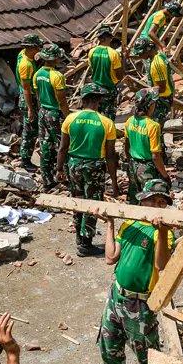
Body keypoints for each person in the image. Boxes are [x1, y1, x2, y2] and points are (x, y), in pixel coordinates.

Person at [95, 179, 179, 364]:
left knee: (146, 353)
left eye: (162, 202)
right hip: (117, 296)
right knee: (109, 345)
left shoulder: (164, 232)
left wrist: (162, 232)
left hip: (139, 303)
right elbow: (111, 257)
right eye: (153, 199)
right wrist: (110, 224)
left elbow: (162, 264)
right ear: (142, 200)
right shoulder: (129, 224)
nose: (156, 205)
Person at [59, 84, 119, 256]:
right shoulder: (107, 123)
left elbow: (63, 148)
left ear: (83, 100)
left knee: (78, 201)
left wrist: (59, 169)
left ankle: (80, 237)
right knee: (93, 203)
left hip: (74, 165)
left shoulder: (70, 119)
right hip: (94, 167)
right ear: (98, 101)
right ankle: (86, 244)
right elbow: (110, 156)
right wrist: (114, 182)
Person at [123, 88, 170, 203]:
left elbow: (126, 145)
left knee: (135, 197)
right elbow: (155, 156)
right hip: (147, 168)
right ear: (150, 105)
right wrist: (165, 175)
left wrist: (131, 162)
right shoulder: (153, 126)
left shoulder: (130, 121)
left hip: (133, 165)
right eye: (154, 103)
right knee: (150, 200)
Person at [33, 44, 69, 190]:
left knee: (45, 144)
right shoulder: (57, 76)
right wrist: (68, 117)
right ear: (54, 59)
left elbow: (37, 96)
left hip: (43, 112)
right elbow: (62, 101)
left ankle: (47, 179)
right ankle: (66, 176)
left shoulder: (38, 74)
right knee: (63, 145)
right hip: (55, 113)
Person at [16, 33, 45, 171]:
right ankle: (25, 160)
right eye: (37, 47)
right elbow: (27, 89)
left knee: (30, 129)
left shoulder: (23, 53)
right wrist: (30, 108)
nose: (39, 49)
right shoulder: (26, 65)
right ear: (31, 48)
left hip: (27, 96)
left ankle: (25, 156)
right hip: (28, 98)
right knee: (30, 131)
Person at [134, 37, 176, 124]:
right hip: (162, 97)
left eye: (141, 53)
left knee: (155, 126)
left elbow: (162, 88)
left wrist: (144, 91)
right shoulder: (158, 55)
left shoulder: (156, 65)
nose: (140, 56)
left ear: (148, 50)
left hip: (162, 100)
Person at [87, 25, 123, 119]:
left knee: (97, 115)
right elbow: (119, 76)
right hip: (109, 89)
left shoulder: (92, 52)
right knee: (109, 117)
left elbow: (92, 69)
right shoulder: (114, 53)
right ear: (109, 37)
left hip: (95, 88)